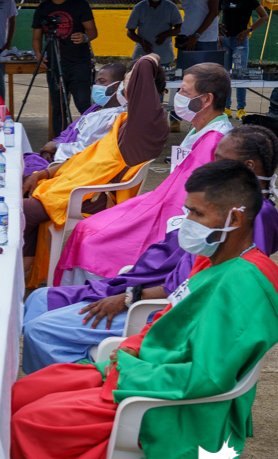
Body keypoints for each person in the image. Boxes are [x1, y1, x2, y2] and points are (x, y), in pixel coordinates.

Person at [10, 159, 278, 459]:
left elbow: (208, 378)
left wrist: (129, 366)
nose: (186, 221)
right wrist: (129, 353)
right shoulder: (217, 260)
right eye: (187, 210)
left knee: (32, 425)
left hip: (175, 405)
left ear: (235, 216)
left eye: (196, 213)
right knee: (24, 392)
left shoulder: (246, 284)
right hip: (146, 371)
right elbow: (171, 328)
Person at [22, 125, 278, 374]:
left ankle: (80, 383)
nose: (212, 163)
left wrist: (130, 297)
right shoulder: (226, 205)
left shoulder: (251, 217)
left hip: (155, 306)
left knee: (40, 330)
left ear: (248, 167)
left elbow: (205, 288)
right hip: (140, 285)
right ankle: (63, 379)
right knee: (37, 300)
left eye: (219, 158)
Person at [56, 62, 237, 285]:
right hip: (163, 202)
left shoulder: (214, 140)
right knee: (87, 227)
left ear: (206, 100)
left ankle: (86, 297)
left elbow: (186, 199)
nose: (177, 96)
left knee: (92, 237)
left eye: (184, 91)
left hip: (174, 218)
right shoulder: (202, 130)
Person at [22, 55, 168, 288]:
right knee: (21, 190)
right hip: (73, 183)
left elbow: (144, 67)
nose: (124, 86)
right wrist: (44, 174)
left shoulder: (148, 123)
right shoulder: (124, 117)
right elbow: (86, 157)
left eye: (129, 80)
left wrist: (152, 56)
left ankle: (17, 270)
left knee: (18, 211)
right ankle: (23, 270)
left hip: (95, 195)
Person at [32, 0, 97, 134]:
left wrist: (84, 37)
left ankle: (91, 138)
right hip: (54, 64)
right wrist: (39, 54)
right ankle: (58, 142)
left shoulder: (79, 4)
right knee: (58, 107)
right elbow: (36, 37)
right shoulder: (43, 7)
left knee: (83, 104)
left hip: (79, 63)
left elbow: (93, 31)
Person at [33, 63, 129, 170]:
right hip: (63, 156)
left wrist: (57, 147)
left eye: (102, 81)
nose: (96, 86)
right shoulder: (97, 108)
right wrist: (52, 147)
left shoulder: (115, 117)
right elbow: (71, 131)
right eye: (96, 81)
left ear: (117, 86)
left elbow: (92, 149)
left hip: (76, 165)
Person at [219, 0, 268, 117]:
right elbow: (214, 16)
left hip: (240, 41)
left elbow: (264, 16)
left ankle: (241, 108)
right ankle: (226, 108)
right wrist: (217, 32)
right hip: (224, 41)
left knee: (240, 75)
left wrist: (249, 30)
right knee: (225, 75)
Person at [125, 0, 182, 67]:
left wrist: (166, 34)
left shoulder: (171, 7)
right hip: (143, 54)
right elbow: (130, 32)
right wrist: (142, 42)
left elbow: (180, 28)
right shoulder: (139, 8)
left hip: (164, 55)